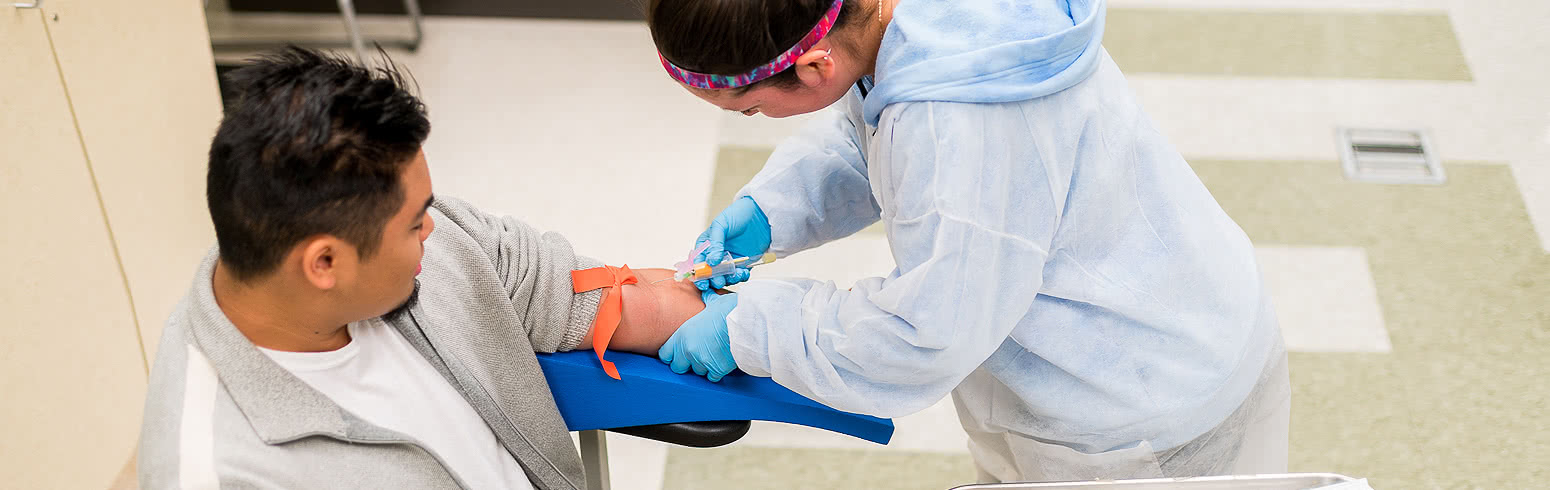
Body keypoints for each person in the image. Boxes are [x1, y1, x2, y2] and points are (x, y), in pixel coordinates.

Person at [647, 0, 1292, 483]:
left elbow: (926, 332)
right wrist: (773, 209)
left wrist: (755, 327)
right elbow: (876, 123)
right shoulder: (907, 20)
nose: (754, 119)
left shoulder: (964, 130)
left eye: (751, 109)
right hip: (1177, 314)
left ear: (815, 64)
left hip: (1134, 413)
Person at [137, 47, 710, 489]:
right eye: (414, 224)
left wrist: (764, 329)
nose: (435, 229)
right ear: (325, 263)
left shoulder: (422, 250)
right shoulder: (226, 469)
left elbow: (589, 294)